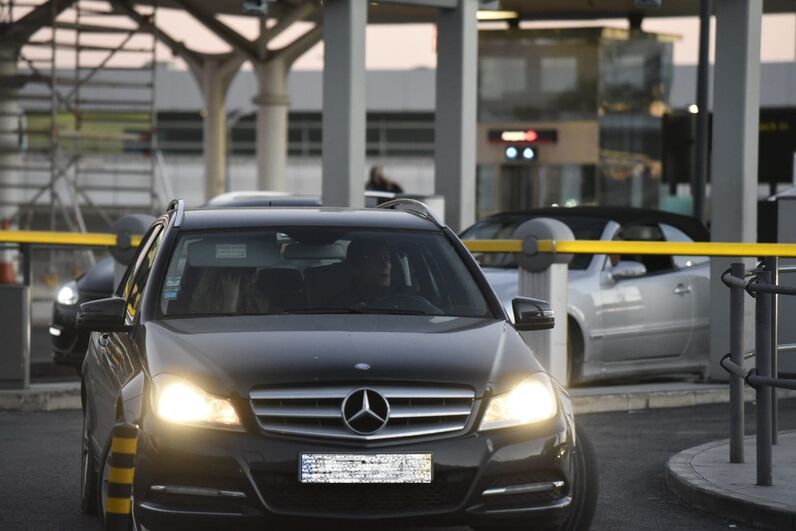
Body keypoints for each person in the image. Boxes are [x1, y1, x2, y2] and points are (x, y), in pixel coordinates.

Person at [346, 239, 393, 304]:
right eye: (377, 260)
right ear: (356, 268)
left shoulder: (399, 301)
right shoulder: (339, 306)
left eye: (387, 258)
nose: (385, 265)